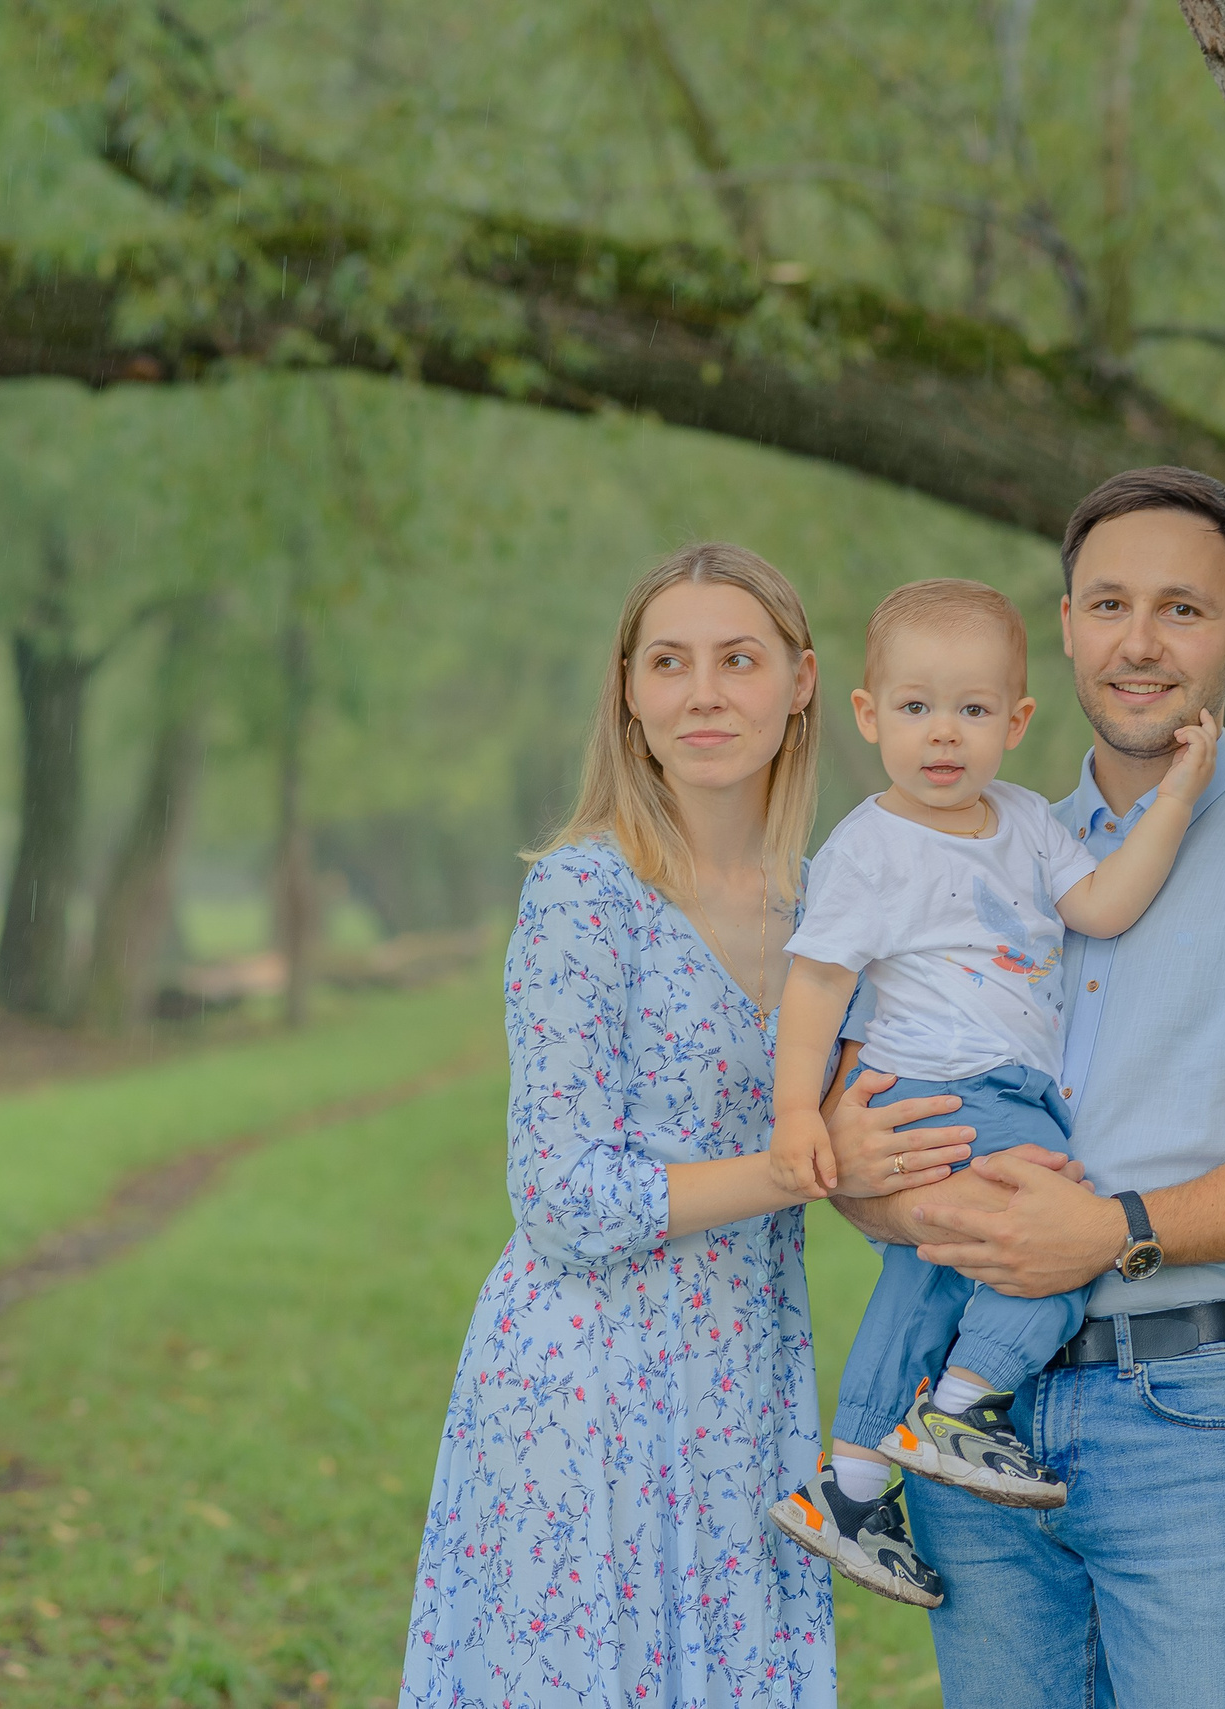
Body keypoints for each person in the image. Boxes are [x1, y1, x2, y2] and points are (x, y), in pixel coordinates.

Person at [825, 468, 1225, 1708]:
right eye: (1107, 603)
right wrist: (885, 1189)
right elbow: (855, 1117)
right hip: (966, 1419)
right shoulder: (970, 848)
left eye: (1182, 610)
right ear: (1065, 627)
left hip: (1180, 1413)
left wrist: (1111, 1231)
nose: (1138, 642)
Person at [397, 543, 975, 1709]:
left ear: (803, 681)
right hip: (586, 1382)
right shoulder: (585, 892)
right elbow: (560, 1199)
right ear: (628, 691)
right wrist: (796, 1165)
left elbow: (885, 1135)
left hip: (749, 1382)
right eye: (669, 661)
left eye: (737, 659)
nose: (703, 692)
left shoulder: (835, 908)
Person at [759, 579, 1217, 1607]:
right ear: (869, 714)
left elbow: (1103, 901)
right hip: (940, 1081)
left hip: (996, 1084)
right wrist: (799, 1110)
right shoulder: (870, 847)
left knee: (929, 1276)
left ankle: (854, 1482)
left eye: (972, 710)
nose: (943, 734)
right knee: (1056, 1236)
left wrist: (1175, 800)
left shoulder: (1021, 821)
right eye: (915, 707)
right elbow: (817, 986)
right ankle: (967, 1405)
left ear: (1014, 722)